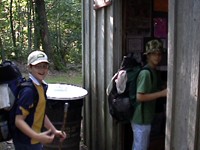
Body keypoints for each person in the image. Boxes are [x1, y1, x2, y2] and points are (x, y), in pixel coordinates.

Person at [13, 50, 66, 150]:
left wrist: (54, 131)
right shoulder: (28, 91)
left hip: (35, 140)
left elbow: (40, 112)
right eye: (38, 66)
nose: (42, 70)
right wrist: (37, 136)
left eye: (44, 66)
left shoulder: (41, 86)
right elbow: (18, 120)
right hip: (26, 143)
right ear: (29, 67)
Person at [131, 39, 167, 150]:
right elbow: (140, 97)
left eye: (159, 54)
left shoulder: (153, 71)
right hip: (141, 118)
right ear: (148, 56)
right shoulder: (146, 73)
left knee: (141, 146)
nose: (157, 57)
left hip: (146, 117)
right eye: (153, 54)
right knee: (140, 147)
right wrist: (161, 94)